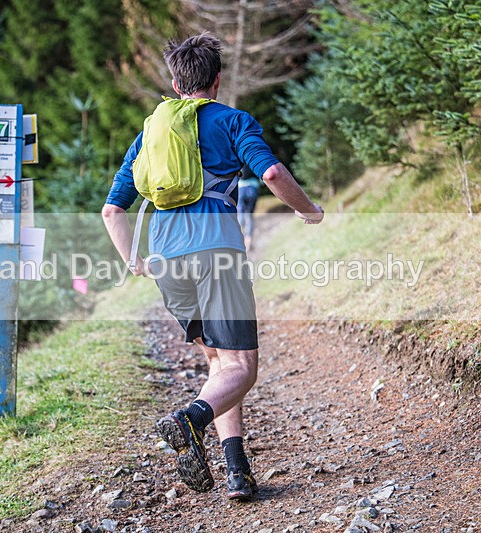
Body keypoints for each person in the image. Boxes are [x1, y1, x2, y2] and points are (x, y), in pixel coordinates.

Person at [101, 33, 323, 501]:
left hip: (165, 260)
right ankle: (189, 420)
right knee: (242, 366)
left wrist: (133, 261)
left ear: (176, 82)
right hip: (216, 253)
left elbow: (112, 210)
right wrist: (308, 210)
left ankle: (237, 471)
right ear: (217, 80)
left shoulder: (151, 133)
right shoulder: (233, 121)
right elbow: (273, 174)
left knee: (219, 361)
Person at [236, 167, 261, 252]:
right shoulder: (253, 157)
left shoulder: (236, 159)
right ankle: (248, 241)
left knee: (240, 215)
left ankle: (238, 241)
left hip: (240, 189)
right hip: (253, 187)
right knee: (249, 215)